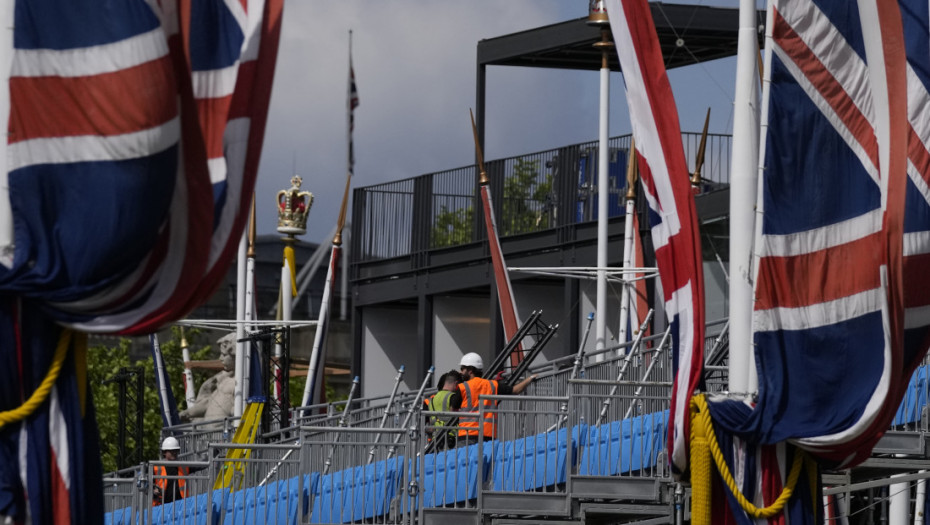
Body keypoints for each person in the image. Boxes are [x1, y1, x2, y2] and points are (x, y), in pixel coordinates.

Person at [456, 352, 536, 442]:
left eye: (462, 369)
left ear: (470, 370)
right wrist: (530, 378)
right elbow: (515, 390)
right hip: (488, 435)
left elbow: (452, 409)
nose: (461, 372)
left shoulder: (462, 387)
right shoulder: (492, 385)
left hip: (466, 435)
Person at [179, 333, 237, 422]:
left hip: (225, 432)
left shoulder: (241, 381)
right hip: (210, 432)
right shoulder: (224, 379)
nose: (220, 358)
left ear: (236, 356)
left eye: (224, 355)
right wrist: (189, 412)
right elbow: (209, 402)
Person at [426, 370, 462, 450]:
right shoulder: (453, 397)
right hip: (451, 440)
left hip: (436, 440)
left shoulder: (432, 399)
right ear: (456, 384)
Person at [152, 437, 188, 506]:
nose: (174, 453)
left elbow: (201, 465)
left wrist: (212, 453)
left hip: (181, 506)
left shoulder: (183, 466)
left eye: (176, 450)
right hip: (161, 506)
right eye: (171, 451)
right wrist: (153, 489)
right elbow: (145, 482)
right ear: (164, 452)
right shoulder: (156, 468)